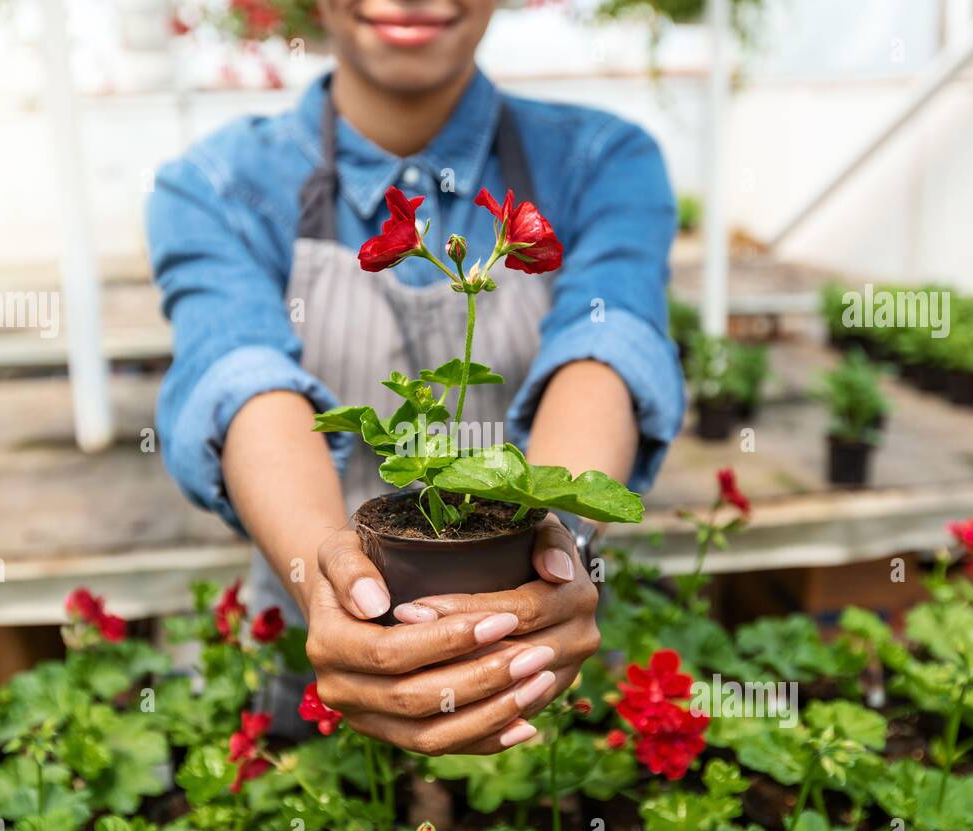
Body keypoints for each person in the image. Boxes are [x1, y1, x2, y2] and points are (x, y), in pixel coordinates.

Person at [147, 0, 684, 755]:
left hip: (540, 662)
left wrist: (562, 547)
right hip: (318, 655)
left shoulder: (602, 157)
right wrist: (327, 578)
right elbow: (237, 371)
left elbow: (609, 341)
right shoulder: (214, 183)